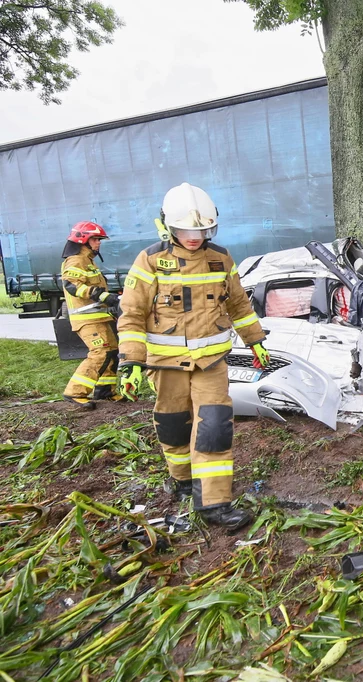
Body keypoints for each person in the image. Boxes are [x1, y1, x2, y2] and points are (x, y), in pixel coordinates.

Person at [117, 183, 270, 531]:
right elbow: (131, 315)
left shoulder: (221, 258)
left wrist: (255, 340)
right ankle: (183, 479)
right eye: (186, 230)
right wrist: (130, 362)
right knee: (173, 425)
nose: (194, 237)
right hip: (164, 364)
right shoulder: (151, 260)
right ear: (169, 227)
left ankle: (214, 503)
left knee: (215, 427)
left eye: (202, 230)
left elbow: (239, 305)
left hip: (211, 363)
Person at [60, 221, 122, 408]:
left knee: (112, 353)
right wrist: (100, 295)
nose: (98, 243)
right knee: (100, 353)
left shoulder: (88, 261)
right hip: (86, 319)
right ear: (83, 240)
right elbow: (72, 286)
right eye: (95, 239)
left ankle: (105, 391)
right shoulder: (75, 261)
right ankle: (75, 392)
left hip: (99, 317)